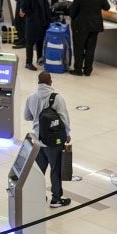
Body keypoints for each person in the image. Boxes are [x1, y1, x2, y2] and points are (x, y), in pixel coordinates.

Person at [24, 71, 72, 208]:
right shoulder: (57, 98)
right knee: (55, 169)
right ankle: (56, 199)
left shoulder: (31, 97)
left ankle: (38, 195)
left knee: (39, 171)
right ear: (51, 82)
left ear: (38, 82)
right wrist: (67, 133)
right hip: (54, 142)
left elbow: (27, 117)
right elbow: (64, 119)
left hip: (38, 141)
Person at [69, 0, 110, 76]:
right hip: (94, 26)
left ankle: (78, 69)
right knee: (90, 49)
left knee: (79, 48)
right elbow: (107, 7)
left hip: (80, 26)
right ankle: (88, 70)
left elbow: (73, 11)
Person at [20, 0, 51, 71]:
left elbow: (45, 4)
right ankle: (28, 62)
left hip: (42, 21)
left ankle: (39, 58)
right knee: (30, 42)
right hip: (33, 22)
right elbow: (25, 8)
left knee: (40, 41)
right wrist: (33, 16)